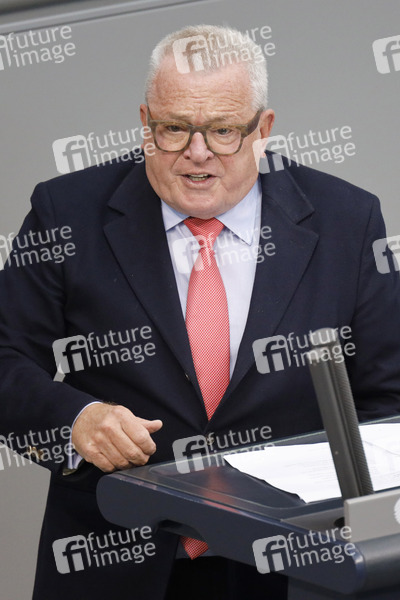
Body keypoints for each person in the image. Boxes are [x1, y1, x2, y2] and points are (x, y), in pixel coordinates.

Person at [0, 23, 400, 600]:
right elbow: (6, 357)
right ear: (145, 123)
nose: (197, 153)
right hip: (117, 559)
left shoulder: (348, 220)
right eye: (173, 129)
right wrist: (75, 420)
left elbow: (389, 402)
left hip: (294, 568)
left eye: (222, 131)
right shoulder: (66, 212)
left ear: (263, 129)